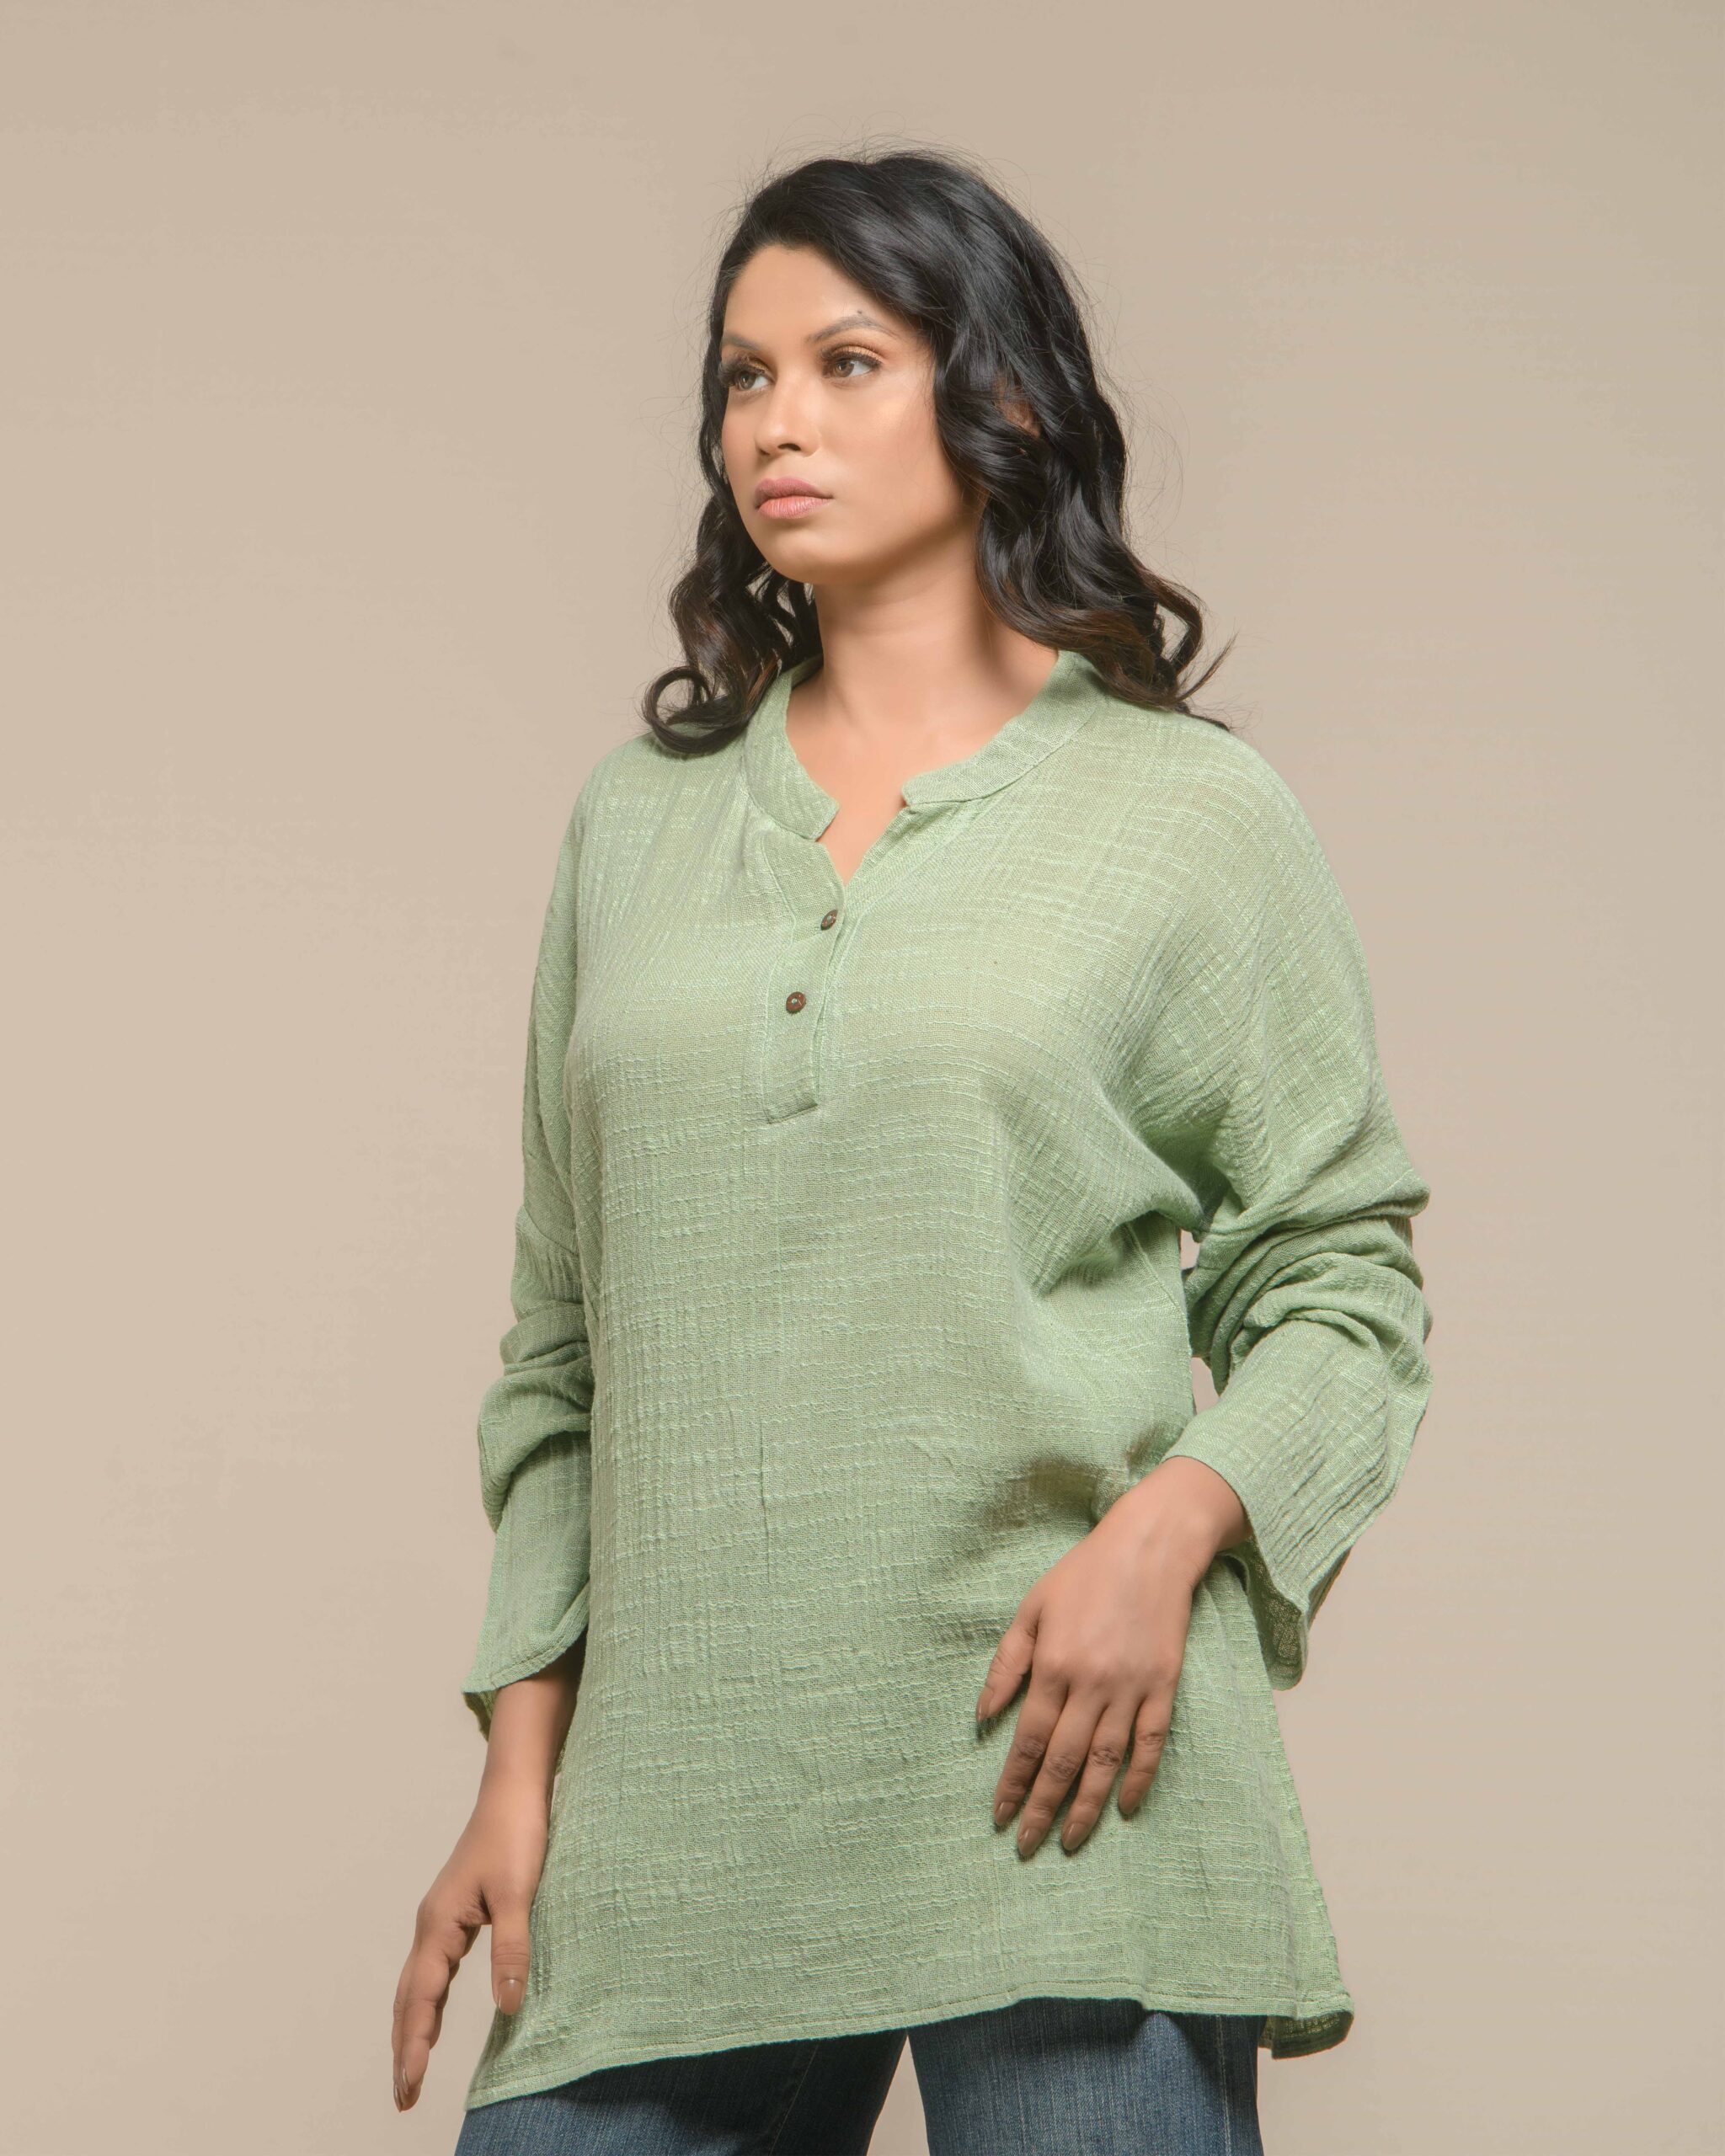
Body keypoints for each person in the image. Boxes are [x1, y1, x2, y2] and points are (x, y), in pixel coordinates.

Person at [391, 145, 1434, 2156]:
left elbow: (1341, 1279)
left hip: (1063, 1772)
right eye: (743, 375)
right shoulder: (635, 828)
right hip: (682, 1812)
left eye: (845, 361)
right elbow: (562, 1350)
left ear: (1001, 398)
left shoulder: (1183, 817)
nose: (774, 420)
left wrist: (1169, 1532)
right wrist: (520, 1767)